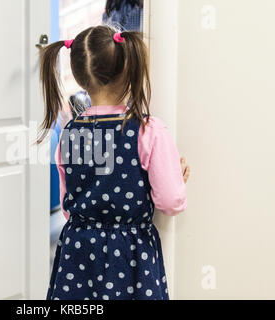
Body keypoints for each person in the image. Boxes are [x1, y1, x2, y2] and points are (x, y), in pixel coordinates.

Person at [39, 25, 190, 300]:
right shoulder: (147, 130)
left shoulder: (70, 133)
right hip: (131, 254)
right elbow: (170, 201)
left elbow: (68, 207)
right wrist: (173, 178)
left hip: (77, 250)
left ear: (79, 76)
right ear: (128, 69)